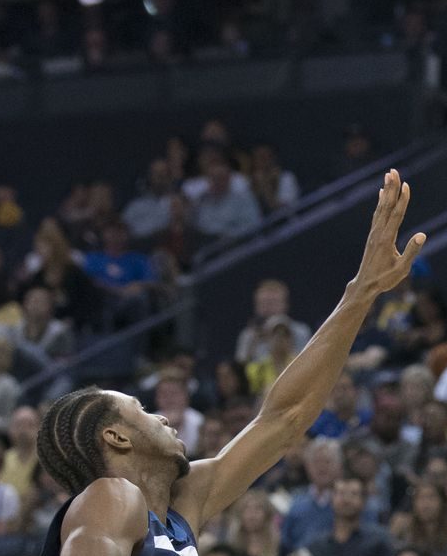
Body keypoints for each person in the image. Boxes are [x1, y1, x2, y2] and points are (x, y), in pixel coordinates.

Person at [36, 169, 426, 556]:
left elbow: (285, 418)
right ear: (116, 438)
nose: (162, 417)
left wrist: (361, 291)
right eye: (140, 410)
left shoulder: (179, 509)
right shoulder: (111, 495)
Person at [303, 476, 394, 556]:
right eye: (341, 493)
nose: (346, 500)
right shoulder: (317, 546)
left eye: (353, 494)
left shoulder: (378, 541)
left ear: (364, 501)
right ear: (331, 500)